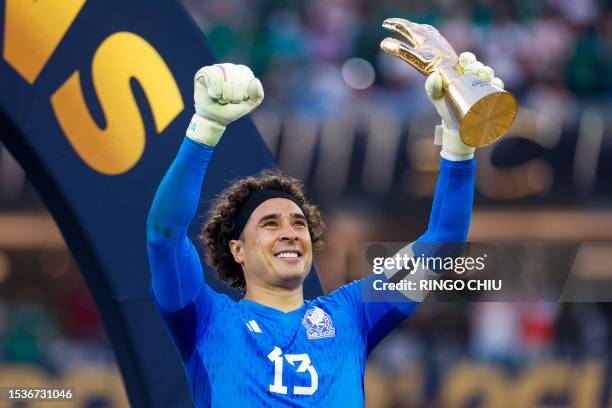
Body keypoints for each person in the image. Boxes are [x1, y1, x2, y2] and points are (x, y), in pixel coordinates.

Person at [147, 52, 502, 406]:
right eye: (270, 224)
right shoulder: (208, 320)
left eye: (298, 223)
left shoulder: (351, 314)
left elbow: (442, 244)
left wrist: (458, 145)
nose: (290, 232)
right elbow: (164, 236)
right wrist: (204, 130)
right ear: (237, 249)